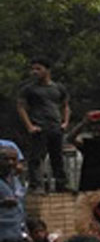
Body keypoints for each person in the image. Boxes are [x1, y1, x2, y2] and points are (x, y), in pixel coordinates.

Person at [16, 57, 70, 192]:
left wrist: (65, 122)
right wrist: (29, 126)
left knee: (57, 157)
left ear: (47, 70)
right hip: (39, 126)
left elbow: (65, 106)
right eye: (33, 69)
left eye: (38, 69)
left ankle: (61, 184)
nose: (34, 72)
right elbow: (21, 107)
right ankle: (36, 185)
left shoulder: (58, 88)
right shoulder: (29, 89)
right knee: (36, 157)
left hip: (55, 126)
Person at [0, 147, 24, 240]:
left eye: (13, 159)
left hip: (15, 231)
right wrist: (2, 203)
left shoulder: (16, 180)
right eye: (6, 159)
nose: (10, 162)